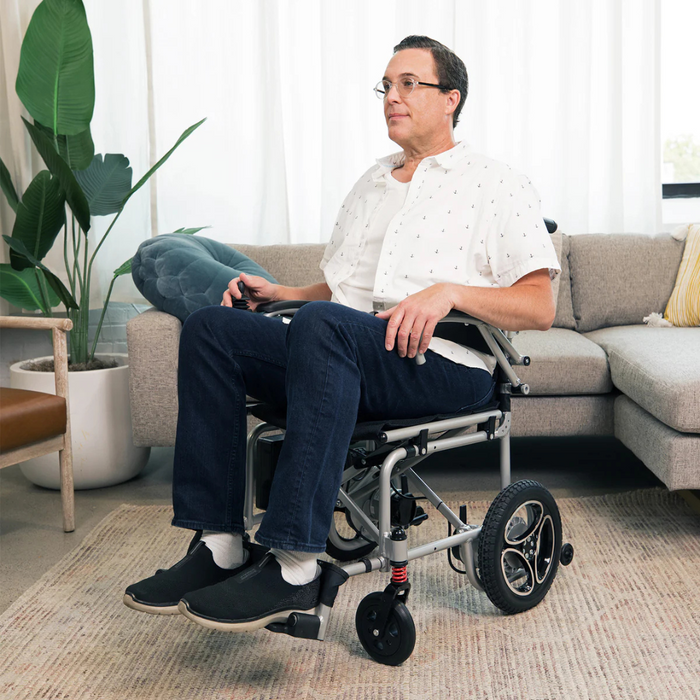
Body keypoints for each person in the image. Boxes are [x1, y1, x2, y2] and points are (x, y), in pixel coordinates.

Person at [124, 35, 560, 632]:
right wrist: (283, 295)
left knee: (321, 328)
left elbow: (539, 305)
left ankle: (297, 565)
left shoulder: (496, 183)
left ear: (451, 99)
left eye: (410, 83)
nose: (392, 97)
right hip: (347, 349)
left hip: (439, 364)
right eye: (387, 85)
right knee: (212, 329)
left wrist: (448, 292)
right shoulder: (371, 184)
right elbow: (346, 293)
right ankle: (220, 544)